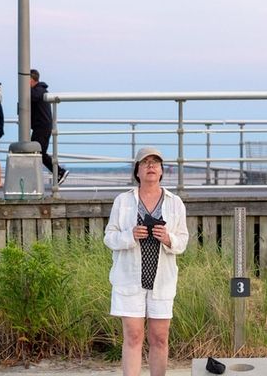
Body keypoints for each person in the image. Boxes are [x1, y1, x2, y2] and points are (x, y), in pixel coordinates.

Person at [104, 147, 189, 376]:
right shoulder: (123, 201)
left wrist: (168, 238)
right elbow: (109, 237)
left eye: (155, 163)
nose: (151, 166)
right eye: (145, 163)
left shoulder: (175, 202)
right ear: (137, 171)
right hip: (129, 279)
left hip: (162, 280)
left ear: (161, 171)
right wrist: (129, 236)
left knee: (159, 338)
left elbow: (183, 241)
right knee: (133, 336)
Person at [30, 68, 69, 185]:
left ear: (31, 79)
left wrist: (25, 88)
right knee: (36, 152)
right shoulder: (38, 90)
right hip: (40, 126)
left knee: (37, 152)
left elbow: (33, 97)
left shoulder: (39, 90)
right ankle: (57, 172)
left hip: (42, 126)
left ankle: (60, 171)